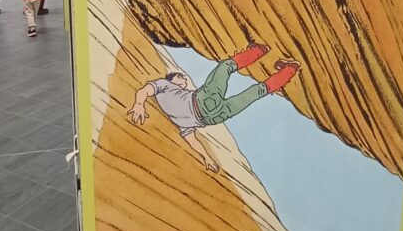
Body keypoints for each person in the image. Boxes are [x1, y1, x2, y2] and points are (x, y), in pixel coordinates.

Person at [128, 42, 301, 172]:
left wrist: (207, 158)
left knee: (255, 93)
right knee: (226, 67)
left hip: (212, 118)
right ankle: (260, 50)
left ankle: (290, 69)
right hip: (202, 101)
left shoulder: (180, 121)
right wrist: (138, 104)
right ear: (173, 79)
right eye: (181, 78)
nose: (185, 80)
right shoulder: (165, 84)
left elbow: (191, 139)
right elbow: (146, 90)